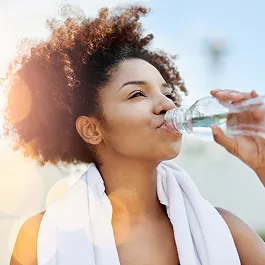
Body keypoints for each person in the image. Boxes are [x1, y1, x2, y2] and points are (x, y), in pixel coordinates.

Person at [3, 4, 265, 265]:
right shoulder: (40, 239)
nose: (167, 105)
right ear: (92, 129)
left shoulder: (227, 232)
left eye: (167, 93)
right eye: (137, 94)